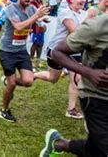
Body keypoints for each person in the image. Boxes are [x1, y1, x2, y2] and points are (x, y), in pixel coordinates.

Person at [39, 12, 108, 157]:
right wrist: (88, 72)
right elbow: (57, 52)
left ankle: (58, 144)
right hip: (96, 97)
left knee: (96, 148)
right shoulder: (97, 27)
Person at [33, 0, 89, 119]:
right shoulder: (65, 13)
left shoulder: (83, 13)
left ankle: (71, 109)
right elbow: (75, 32)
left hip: (74, 50)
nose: (83, 0)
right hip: (57, 50)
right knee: (53, 78)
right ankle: (35, 75)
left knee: (76, 77)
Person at [0, 0, 49, 122]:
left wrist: (41, 22)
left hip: (21, 51)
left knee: (28, 81)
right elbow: (19, 27)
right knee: (12, 84)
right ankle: (4, 110)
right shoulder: (11, 9)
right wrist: (36, 16)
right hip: (7, 51)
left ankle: (8, 82)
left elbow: (42, 28)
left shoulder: (32, 9)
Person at [29, 0, 46, 68]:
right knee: (35, 43)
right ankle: (31, 60)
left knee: (41, 43)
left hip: (41, 24)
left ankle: (38, 60)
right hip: (35, 25)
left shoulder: (40, 1)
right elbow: (34, 13)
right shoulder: (33, 2)